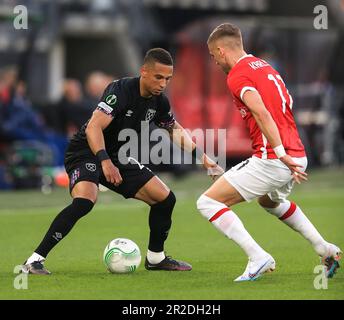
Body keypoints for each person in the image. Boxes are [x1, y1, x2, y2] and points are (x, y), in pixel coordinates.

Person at [22, 48, 223, 275]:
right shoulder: (120, 90)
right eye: (158, 77)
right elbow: (94, 127)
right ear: (143, 72)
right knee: (85, 200)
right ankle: (34, 260)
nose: (162, 83)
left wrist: (204, 159)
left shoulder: (159, 102)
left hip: (116, 156)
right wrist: (104, 161)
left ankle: (156, 258)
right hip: (85, 152)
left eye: (167, 79)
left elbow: (174, 130)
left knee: (165, 199)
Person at [196, 23, 341, 282]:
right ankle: (324, 248)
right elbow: (286, 104)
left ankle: (258, 257)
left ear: (220, 50)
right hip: (297, 153)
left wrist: (278, 151)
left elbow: (261, 111)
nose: (214, 62)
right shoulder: (265, 67)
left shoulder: (238, 75)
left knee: (207, 202)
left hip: (275, 157)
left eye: (212, 56)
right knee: (269, 201)